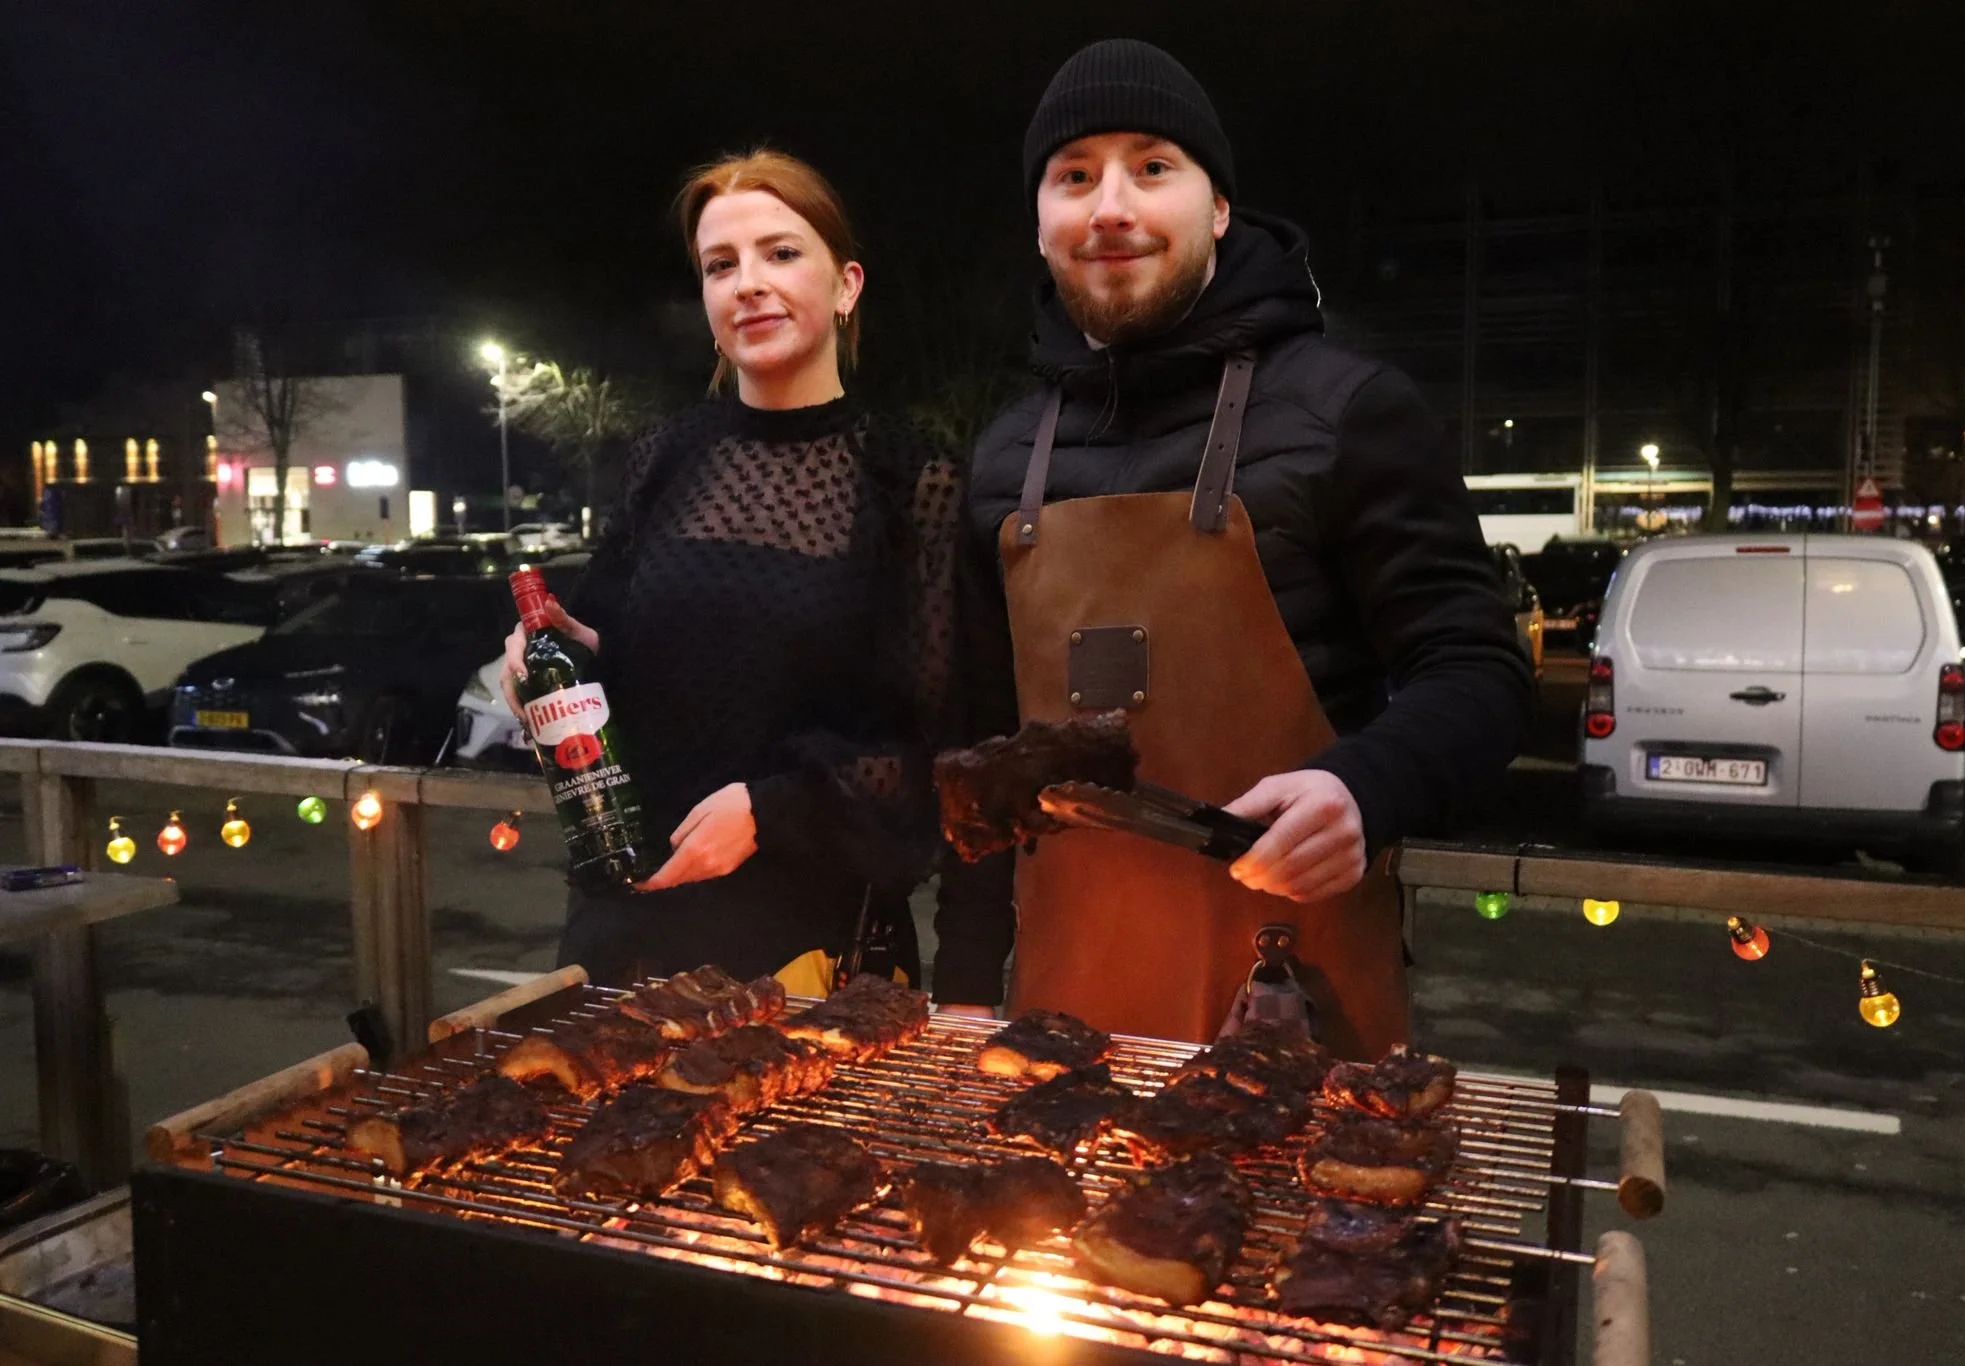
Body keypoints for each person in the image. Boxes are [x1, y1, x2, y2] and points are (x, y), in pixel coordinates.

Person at [932, 41, 1532, 1057]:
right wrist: (959, 980)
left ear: (1217, 208)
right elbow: (980, 752)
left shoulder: (1347, 410)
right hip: (1059, 1018)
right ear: (1039, 222)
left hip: (1294, 1007)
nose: (1109, 206)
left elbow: (1478, 671)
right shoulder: (999, 459)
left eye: (1151, 167)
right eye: (1072, 176)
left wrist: (1365, 784)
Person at [499, 148, 961, 992]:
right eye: (721, 265)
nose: (748, 283)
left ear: (847, 284)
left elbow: (931, 741)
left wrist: (774, 810)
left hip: (806, 936)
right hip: (630, 914)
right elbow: (606, 657)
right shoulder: (667, 459)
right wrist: (544, 659)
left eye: (780, 253)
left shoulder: (907, 475)